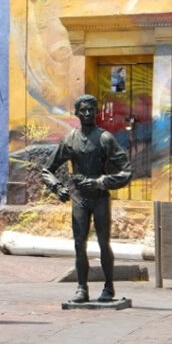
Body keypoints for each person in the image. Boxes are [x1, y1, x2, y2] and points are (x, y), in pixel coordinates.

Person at [41, 95, 131, 302]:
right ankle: (81, 287)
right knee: (79, 243)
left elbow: (126, 171)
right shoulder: (70, 139)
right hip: (79, 199)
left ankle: (108, 287)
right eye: (83, 110)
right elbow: (47, 169)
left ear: (96, 111)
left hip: (100, 198)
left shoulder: (105, 138)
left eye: (91, 109)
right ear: (77, 113)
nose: (88, 113)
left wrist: (101, 182)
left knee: (103, 243)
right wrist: (57, 187)